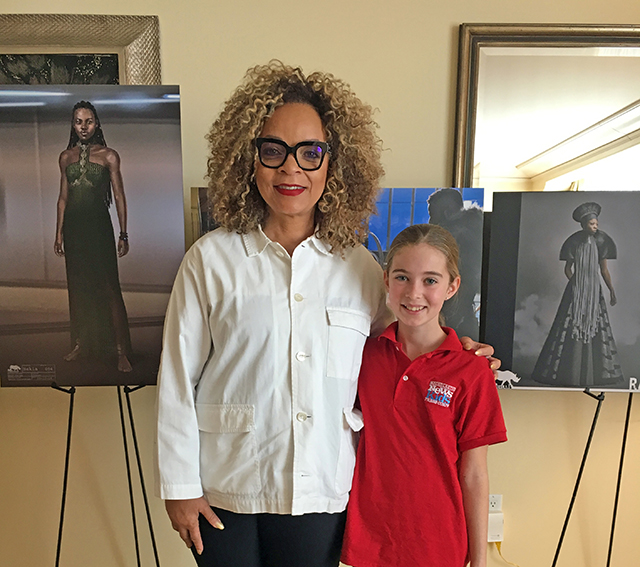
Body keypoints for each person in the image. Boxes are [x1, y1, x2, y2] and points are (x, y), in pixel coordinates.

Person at [155, 61, 497, 567]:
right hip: (225, 486)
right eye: (273, 151)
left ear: (333, 166)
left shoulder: (359, 266)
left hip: (322, 491)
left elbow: (401, 342)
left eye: (310, 153)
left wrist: (459, 349)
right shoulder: (211, 259)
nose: (290, 169)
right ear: (248, 161)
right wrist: (178, 487)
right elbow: (177, 380)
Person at [341, 224, 507, 567]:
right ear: (386, 280)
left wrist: (480, 562)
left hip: (439, 545)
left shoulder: (472, 371)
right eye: (402, 277)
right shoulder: (362, 356)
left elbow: (474, 474)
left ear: (452, 286)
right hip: (369, 544)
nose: (414, 293)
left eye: (430, 280)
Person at [54, 101, 132, 373]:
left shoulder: (109, 155)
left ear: (97, 123)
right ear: (73, 125)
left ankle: (121, 351)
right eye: (78, 121)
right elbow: (63, 198)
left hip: (99, 227)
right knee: (78, 287)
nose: (83, 126)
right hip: (74, 230)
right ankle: (81, 343)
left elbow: (119, 195)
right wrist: (58, 234)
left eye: (88, 121)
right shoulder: (65, 157)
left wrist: (123, 233)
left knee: (109, 287)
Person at [531, 201, 623, 387]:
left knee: (596, 325)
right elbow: (567, 268)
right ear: (583, 225)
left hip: (594, 290)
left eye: (596, 224)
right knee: (570, 324)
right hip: (576, 290)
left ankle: (593, 374)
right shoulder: (573, 242)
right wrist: (575, 283)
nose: (595, 227)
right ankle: (569, 372)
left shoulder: (602, 241)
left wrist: (611, 289)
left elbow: (604, 270)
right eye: (591, 224)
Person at [427, 188, 483, 340]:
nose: (430, 222)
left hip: (452, 316)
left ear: (447, 212)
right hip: (464, 315)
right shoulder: (477, 232)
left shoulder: (453, 239)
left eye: (433, 215)